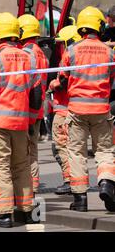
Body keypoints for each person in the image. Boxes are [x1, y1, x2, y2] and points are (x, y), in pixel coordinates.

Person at [0, 12, 42, 227]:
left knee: (0, 168)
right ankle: (26, 211)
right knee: (21, 166)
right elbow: (36, 94)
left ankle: (3, 214)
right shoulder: (28, 57)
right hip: (21, 124)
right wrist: (30, 121)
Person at [58, 6, 115, 212]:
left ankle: (80, 200)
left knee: (76, 153)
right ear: (99, 26)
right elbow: (111, 79)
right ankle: (107, 183)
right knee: (105, 150)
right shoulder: (109, 52)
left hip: (77, 110)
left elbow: (63, 79)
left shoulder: (71, 50)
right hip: (101, 109)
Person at [48, 25, 82, 195]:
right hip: (74, 111)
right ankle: (75, 182)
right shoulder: (83, 58)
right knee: (73, 149)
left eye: (62, 43)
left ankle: (69, 181)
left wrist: (53, 85)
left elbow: (63, 84)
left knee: (61, 148)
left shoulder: (68, 58)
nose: (60, 46)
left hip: (63, 113)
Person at [18, 14, 49, 194]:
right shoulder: (40, 53)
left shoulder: (27, 53)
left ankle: (27, 187)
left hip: (27, 109)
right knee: (33, 151)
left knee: (24, 152)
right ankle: (34, 185)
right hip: (37, 109)